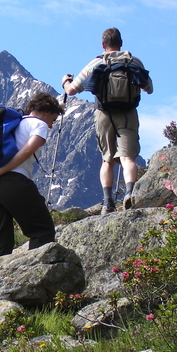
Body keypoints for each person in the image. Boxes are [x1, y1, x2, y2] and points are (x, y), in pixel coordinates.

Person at [61, 27, 153, 215]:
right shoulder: (134, 62)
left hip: (104, 114)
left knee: (107, 159)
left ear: (103, 44)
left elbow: (71, 90)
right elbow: (149, 88)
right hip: (128, 113)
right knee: (128, 158)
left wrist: (65, 81)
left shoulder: (96, 63)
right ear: (121, 43)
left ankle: (107, 202)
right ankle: (129, 193)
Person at [0, 92, 63, 262]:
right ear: (46, 111)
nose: (51, 125)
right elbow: (27, 151)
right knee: (42, 232)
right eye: (53, 119)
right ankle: (37, 279)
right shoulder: (39, 124)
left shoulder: (11, 124)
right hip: (13, 182)